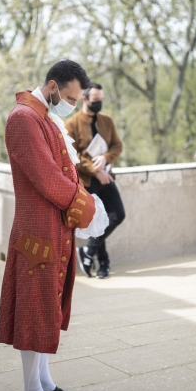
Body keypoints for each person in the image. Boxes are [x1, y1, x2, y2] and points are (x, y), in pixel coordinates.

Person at [0, 60, 97, 391]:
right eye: (70, 97)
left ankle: (44, 383)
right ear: (53, 86)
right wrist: (86, 205)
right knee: (34, 313)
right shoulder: (24, 118)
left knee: (46, 309)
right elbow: (47, 178)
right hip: (36, 230)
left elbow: (61, 172)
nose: (72, 104)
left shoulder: (41, 115)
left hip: (50, 224)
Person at [65, 82, 125, 278]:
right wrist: (94, 170)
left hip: (106, 177)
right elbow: (72, 155)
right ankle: (104, 264)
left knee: (117, 214)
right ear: (84, 99)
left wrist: (106, 158)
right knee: (97, 220)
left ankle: (88, 252)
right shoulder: (72, 124)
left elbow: (117, 145)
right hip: (88, 181)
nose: (99, 103)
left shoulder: (106, 121)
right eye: (95, 100)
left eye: (101, 100)